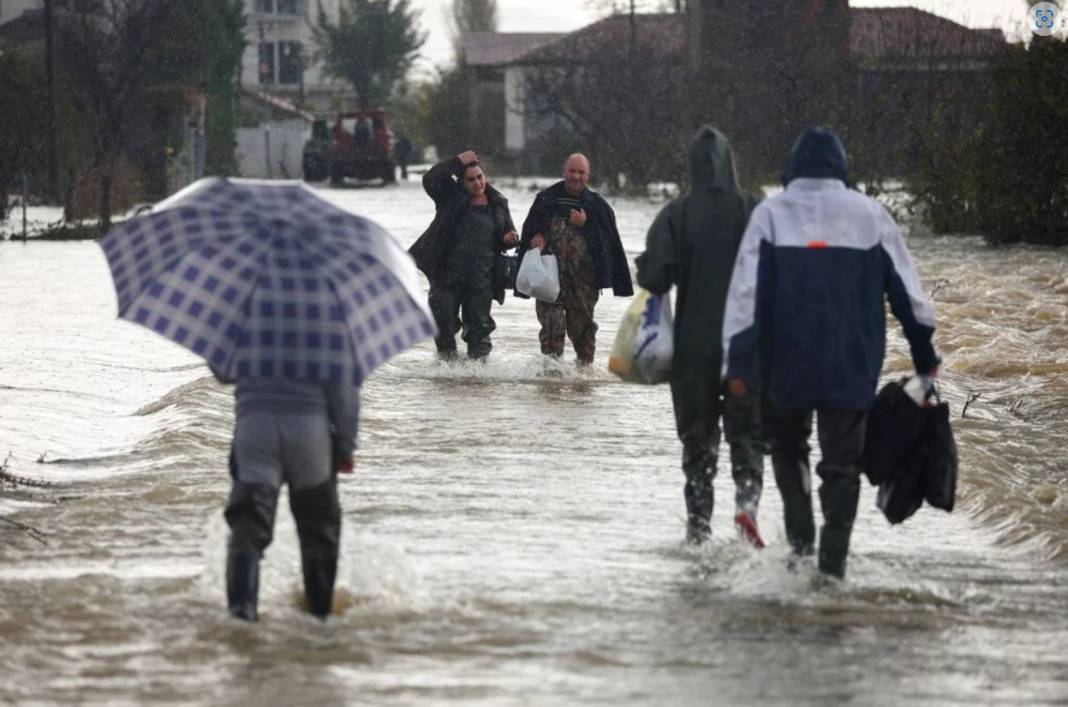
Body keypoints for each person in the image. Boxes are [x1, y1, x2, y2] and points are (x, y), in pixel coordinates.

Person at [722, 126, 940, 579]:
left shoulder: (770, 214)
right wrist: (924, 354)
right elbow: (910, 296)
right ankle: (832, 567)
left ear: (792, 168)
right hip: (850, 362)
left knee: (788, 448)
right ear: (841, 166)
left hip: (786, 362)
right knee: (842, 464)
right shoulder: (871, 216)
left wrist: (738, 364)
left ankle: (800, 546)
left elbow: (744, 296)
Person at [636, 126, 766, 546]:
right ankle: (746, 505)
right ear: (731, 161)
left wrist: (650, 264)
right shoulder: (753, 209)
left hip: (694, 349)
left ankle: (698, 529)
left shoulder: (677, 213)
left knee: (698, 443)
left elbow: (655, 278)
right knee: (747, 435)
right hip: (745, 347)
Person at [223, 377, 359, 621]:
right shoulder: (332, 338)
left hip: (255, 429)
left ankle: (241, 615)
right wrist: (346, 447)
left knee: (248, 526)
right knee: (318, 532)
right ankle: (320, 618)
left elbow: (223, 372)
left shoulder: (244, 336)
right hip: (311, 432)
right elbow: (345, 394)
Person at [516, 153, 633, 365]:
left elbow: (608, 243)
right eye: (572, 171)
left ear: (588, 176)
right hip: (549, 279)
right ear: (564, 172)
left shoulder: (597, 205)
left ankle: (582, 383)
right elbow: (530, 230)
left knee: (583, 333)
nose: (576, 176)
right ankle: (550, 382)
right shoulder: (546, 198)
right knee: (553, 328)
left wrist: (585, 226)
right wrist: (537, 236)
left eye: (581, 172)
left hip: (584, 283)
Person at [409, 150, 519, 360]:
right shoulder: (449, 198)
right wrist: (457, 161)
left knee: (480, 333)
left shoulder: (498, 203)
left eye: (480, 177)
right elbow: (430, 178)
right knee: (443, 326)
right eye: (470, 180)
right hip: (446, 277)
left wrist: (511, 237)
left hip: (481, 280)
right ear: (460, 182)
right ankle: (447, 375)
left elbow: (507, 232)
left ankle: (476, 380)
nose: (477, 183)